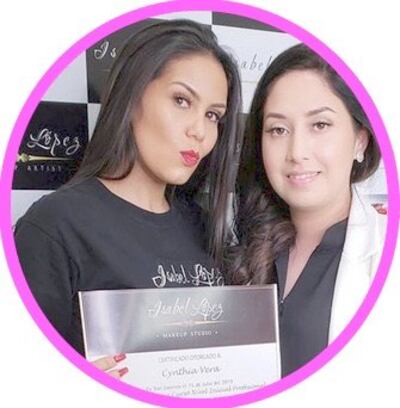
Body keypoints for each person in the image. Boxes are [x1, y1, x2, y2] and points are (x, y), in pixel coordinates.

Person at [14, 19, 242, 378]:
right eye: (181, 100)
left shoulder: (202, 224)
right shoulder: (55, 226)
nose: (199, 130)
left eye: (213, 115)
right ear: (132, 96)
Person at [227, 43, 386, 376]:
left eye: (320, 125)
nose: (296, 151)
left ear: (360, 140)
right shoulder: (240, 246)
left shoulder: (386, 247)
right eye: (278, 130)